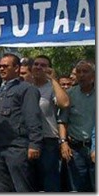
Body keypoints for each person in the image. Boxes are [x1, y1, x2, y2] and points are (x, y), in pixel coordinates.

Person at [0, 53, 43, 192]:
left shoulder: (26, 89)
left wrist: (34, 144)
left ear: (17, 68)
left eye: (5, 66)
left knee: (22, 188)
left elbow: (33, 117)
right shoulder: (1, 90)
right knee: (5, 188)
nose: (1, 69)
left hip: (17, 147)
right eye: (0, 66)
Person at [30, 55, 70, 191]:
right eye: (36, 64)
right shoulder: (26, 87)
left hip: (48, 141)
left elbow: (64, 103)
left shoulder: (52, 87)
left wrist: (53, 79)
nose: (39, 67)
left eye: (43, 65)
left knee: (50, 183)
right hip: (27, 140)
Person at [58, 59, 96, 192]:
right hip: (75, 149)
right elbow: (63, 120)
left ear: (94, 75)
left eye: (85, 72)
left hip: (94, 147)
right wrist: (63, 143)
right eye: (78, 72)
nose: (81, 75)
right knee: (77, 188)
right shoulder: (70, 94)